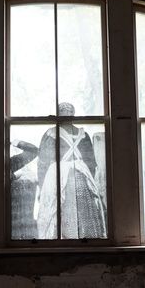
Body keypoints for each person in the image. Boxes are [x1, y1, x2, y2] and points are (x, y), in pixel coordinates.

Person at [36, 102, 106, 239]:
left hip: (63, 177)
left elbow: (42, 163)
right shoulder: (54, 134)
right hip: (77, 176)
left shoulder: (54, 134)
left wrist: (42, 185)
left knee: (64, 210)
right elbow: (91, 164)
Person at [10, 138, 39, 240]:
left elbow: (34, 151)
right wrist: (14, 142)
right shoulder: (9, 163)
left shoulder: (9, 163)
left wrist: (14, 142)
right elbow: (33, 151)